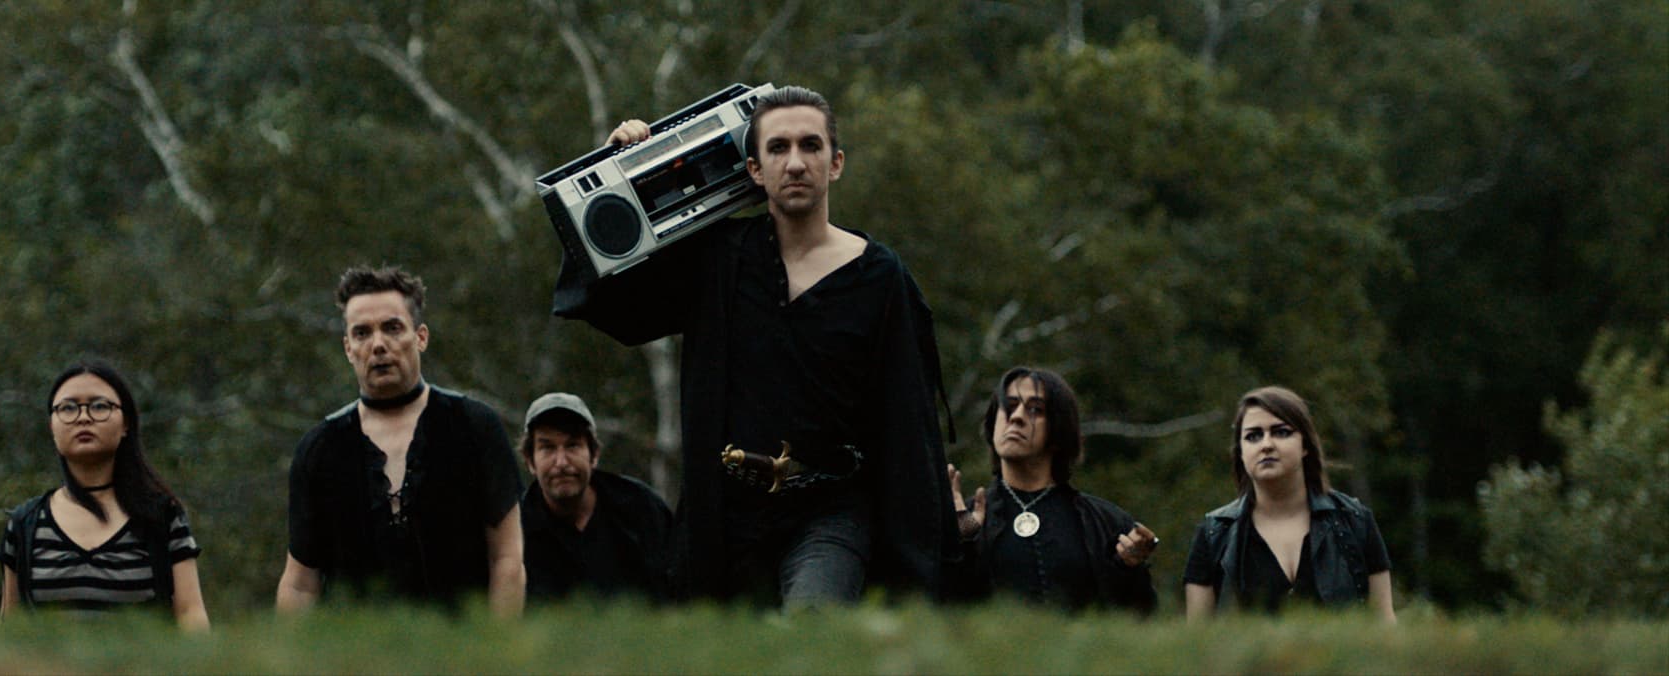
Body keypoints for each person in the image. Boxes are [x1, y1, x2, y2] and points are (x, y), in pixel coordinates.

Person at [554, 86, 956, 606]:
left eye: (810, 146)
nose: (795, 163)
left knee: (811, 623)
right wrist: (619, 171)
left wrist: (923, 556)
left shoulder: (879, 277)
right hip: (727, 516)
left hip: (831, 510)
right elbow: (617, 306)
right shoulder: (719, 260)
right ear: (754, 170)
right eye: (778, 148)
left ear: (835, 163)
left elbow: (910, 420)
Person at [276, 265, 525, 617]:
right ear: (348, 348)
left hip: (464, 644)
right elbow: (300, 584)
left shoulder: (474, 426)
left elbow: (507, 559)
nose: (378, 345)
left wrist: (498, 645)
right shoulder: (319, 449)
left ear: (420, 337)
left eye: (392, 328)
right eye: (362, 333)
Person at [0, 360, 209, 631]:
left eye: (99, 406)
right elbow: (11, 627)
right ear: (51, 426)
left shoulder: (163, 517)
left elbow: (191, 615)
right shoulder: (25, 524)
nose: (83, 417)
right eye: (68, 408)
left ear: (125, 424)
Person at [945, 367, 1159, 612]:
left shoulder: (1106, 524)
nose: (1016, 417)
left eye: (1035, 409)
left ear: (1059, 430)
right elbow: (941, 613)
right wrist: (962, 544)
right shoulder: (967, 520)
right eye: (1009, 406)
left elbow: (1139, 621)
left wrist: (1127, 568)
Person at [1182, 386, 1396, 621]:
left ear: (1305, 445)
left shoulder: (1354, 521)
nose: (1266, 444)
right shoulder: (1214, 534)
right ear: (1241, 452)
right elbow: (1199, 636)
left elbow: (1384, 625)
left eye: (1281, 432)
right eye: (1253, 436)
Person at [518, 392, 674, 602]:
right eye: (547, 448)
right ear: (530, 461)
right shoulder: (517, 530)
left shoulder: (641, 508)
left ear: (594, 455)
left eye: (573, 445)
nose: (561, 462)